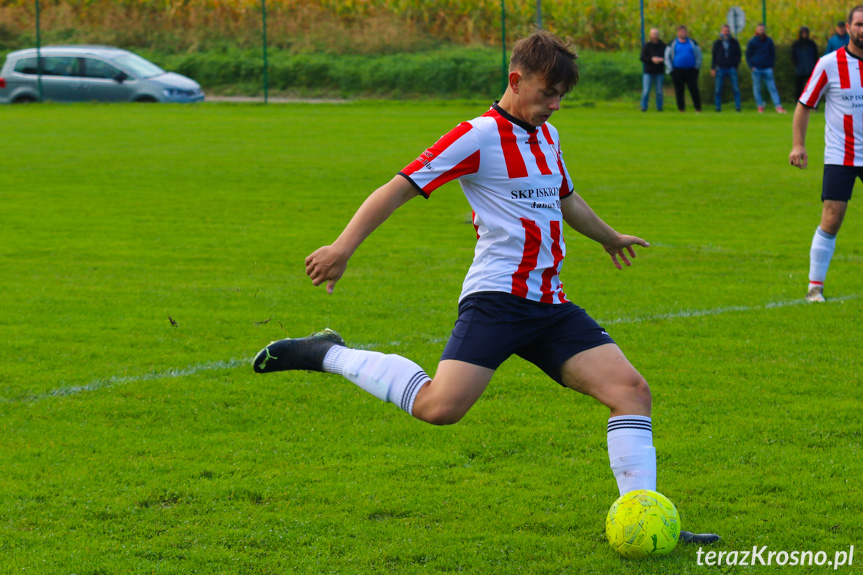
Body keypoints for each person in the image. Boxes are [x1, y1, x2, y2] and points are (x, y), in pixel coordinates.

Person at [254, 29, 718, 544]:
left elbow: (564, 197)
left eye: (563, 96)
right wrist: (342, 248)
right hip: (497, 300)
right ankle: (328, 354)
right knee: (439, 409)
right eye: (548, 93)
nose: (556, 105)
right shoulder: (476, 136)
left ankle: (644, 518)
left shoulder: (547, 137)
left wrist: (608, 238)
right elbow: (398, 188)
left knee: (631, 392)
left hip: (549, 303)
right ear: (516, 80)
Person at [790, 6, 863, 302]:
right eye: (859, 24)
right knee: (832, 219)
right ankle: (814, 286)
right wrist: (798, 145)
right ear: (848, 27)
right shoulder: (829, 64)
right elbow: (805, 104)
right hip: (840, 156)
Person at [746, 24, 787, 113]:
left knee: (772, 88)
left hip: (767, 68)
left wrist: (771, 65)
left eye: (763, 30)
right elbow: (748, 55)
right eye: (759, 30)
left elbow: (772, 54)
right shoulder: (752, 42)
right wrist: (751, 66)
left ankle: (778, 106)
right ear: (756, 31)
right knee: (757, 88)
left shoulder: (769, 41)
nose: (761, 31)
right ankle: (760, 106)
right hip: (756, 68)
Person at [664, 25, 702, 112]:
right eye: (681, 31)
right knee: (679, 91)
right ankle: (681, 109)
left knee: (694, 89)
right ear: (678, 33)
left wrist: (696, 67)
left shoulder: (692, 43)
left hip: (691, 70)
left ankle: (698, 108)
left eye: (684, 31)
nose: (683, 33)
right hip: (677, 70)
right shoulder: (672, 44)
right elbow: (667, 57)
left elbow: (698, 55)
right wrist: (670, 69)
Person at [710, 24, 742, 111]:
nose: (726, 33)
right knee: (718, 90)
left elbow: (738, 54)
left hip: (731, 68)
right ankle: (718, 107)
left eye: (727, 31)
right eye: (724, 31)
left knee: (735, 89)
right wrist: (713, 68)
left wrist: (736, 65)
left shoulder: (734, 42)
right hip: (720, 68)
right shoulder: (717, 43)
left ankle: (738, 107)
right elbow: (714, 55)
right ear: (721, 32)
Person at [640, 28, 666, 111]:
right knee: (646, 90)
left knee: (659, 91)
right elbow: (642, 57)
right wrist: (652, 59)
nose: (655, 35)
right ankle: (644, 106)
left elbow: (668, 57)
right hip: (648, 71)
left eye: (656, 33)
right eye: (653, 33)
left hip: (659, 71)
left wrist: (661, 60)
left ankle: (659, 107)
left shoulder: (663, 46)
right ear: (650, 35)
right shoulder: (647, 46)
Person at [791, 26, 819, 100]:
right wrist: (797, 65)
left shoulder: (812, 44)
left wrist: (814, 66)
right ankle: (798, 103)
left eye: (805, 33)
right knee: (799, 88)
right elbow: (793, 56)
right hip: (800, 70)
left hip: (811, 69)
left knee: (812, 88)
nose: (804, 35)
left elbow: (815, 55)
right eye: (803, 33)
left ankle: (813, 105)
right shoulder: (796, 44)